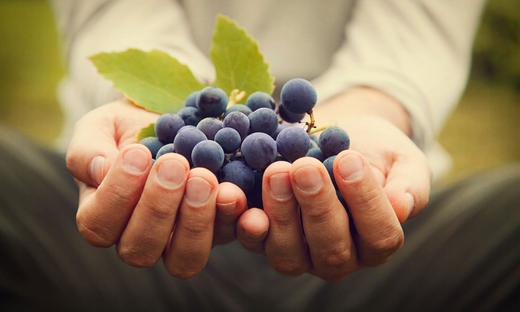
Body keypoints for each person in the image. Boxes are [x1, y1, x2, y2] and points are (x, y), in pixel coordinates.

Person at [1, 0, 519, 311]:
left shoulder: (315, 142)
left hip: (383, 241)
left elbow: (417, 27)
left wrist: (375, 107)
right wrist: (138, 102)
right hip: (118, 237)